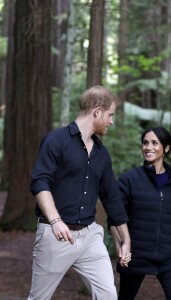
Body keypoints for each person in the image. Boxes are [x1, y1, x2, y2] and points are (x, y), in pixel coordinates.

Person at [28, 85, 131, 300]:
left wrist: (126, 238)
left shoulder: (102, 154)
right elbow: (40, 182)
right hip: (55, 236)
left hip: (90, 237)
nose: (111, 121)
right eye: (110, 115)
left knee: (108, 295)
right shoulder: (55, 140)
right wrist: (56, 221)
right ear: (97, 111)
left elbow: (112, 198)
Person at [109, 127, 171, 300]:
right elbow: (115, 217)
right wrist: (121, 248)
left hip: (170, 259)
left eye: (155, 143)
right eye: (145, 143)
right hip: (136, 255)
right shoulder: (129, 179)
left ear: (166, 148)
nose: (149, 147)